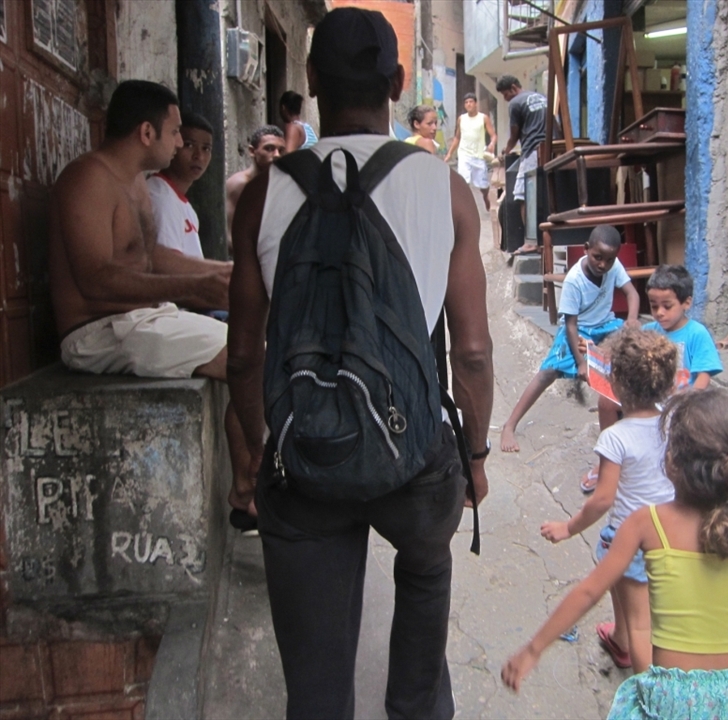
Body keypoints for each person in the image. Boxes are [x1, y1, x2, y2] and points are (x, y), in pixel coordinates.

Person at [226, 7, 493, 718]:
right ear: (397, 82)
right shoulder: (447, 189)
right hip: (416, 461)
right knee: (424, 600)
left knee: (315, 693)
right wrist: (476, 454)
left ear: (311, 81)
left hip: (303, 456)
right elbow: (469, 350)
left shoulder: (263, 194)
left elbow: (246, 355)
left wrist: (257, 457)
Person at [502, 388, 728, 719]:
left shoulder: (647, 523)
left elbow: (590, 590)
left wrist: (533, 649)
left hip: (675, 696)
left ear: (671, 460)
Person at [48, 79, 256, 523]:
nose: (182, 143)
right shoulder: (87, 178)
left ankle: (250, 487)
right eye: (176, 132)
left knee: (259, 345)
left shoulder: (136, 183)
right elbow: (96, 281)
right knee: (251, 356)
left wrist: (222, 273)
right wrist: (190, 290)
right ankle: (252, 488)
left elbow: (152, 259)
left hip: (139, 319)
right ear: (147, 133)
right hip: (98, 333)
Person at [541, 329, 677, 673]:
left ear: (615, 384)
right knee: (644, 599)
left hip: (630, 538)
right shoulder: (672, 423)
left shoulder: (615, 438)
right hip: (669, 532)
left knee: (640, 622)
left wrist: (568, 528)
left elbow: (603, 499)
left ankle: (647, 691)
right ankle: (618, 638)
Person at [500, 225, 640, 453]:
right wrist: (582, 362)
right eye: (597, 258)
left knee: (636, 349)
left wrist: (632, 320)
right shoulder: (574, 280)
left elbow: (632, 293)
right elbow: (571, 325)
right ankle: (510, 424)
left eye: (609, 260)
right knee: (548, 371)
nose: (603, 265)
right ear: (586, 249)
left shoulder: (613, 266)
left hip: (606, 325)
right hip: (579, 330)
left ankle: (629, 416)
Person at [586, 263, 724, 493]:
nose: (659, 312)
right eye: (654, 306)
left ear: (686, 303)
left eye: (667, 306)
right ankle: (607, 461)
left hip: (680, 402)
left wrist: (687, 398)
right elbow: (625, 353)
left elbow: (703, 377)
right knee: (606, 402)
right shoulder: (651, 329)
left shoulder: (696, 333)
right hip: (649, 397)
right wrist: (598, 354)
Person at [147, 111, 227, 266]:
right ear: (175, 144)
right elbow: (167, 269)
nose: (199, 156)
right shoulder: (161, 198)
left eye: (206, 148)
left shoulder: (184, 206)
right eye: (189, 145)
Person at [496, 74, 547, 256]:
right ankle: (543, 240)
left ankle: (531, 242)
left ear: (512, 88)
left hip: (532, 151)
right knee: (542, 196)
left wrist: (507, 150)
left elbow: (515, 133)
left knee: (523, 195)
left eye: (505, 94)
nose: (505, 98)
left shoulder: (516, 103)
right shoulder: (541, 98)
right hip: (548, 149)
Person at [225, 125, 286, 252]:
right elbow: (227, 235)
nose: (276, 155)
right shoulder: (240, 185)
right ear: (252, 151)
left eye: (281, 150)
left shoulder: (278, 184)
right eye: (269, 148)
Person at [443, 93, 497, 210]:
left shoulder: (483, 118)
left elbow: (493, 135)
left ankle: (485, 198)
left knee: (483, 186)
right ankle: (464, 206)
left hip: (479, 155)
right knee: (463, 182)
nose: (469, 104)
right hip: (464, 154)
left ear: (476, 103)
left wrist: (492, 143)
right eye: (466, 102)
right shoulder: (461, 119)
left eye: (471, 102)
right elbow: (457, 137)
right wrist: (449, 154)